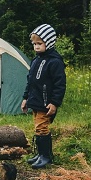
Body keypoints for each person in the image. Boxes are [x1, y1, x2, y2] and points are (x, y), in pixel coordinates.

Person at [20, 23, 66, 169]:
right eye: (34, 44)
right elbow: (31, 82)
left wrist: (54, 102)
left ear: (49, 42)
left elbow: (60, 85)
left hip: (46, 103)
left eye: (39, 43)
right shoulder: (36, 60)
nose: (36, 47)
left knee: (42, 128)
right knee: (38, 128)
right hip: (35, 101)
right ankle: (40, 154)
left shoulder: (55, 62)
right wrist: (25, 98)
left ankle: (46, 156)